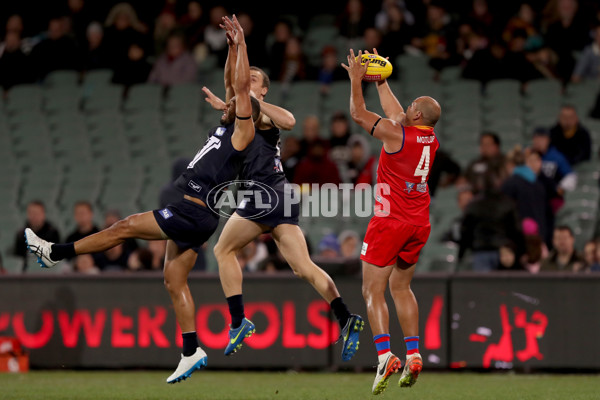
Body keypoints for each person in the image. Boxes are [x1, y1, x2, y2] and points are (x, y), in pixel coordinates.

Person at [25, 16, 259, 384]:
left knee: (125, 226)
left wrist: (243, 46)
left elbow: (242, 87)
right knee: (173, 280)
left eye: (237, 103)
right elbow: (233, 83)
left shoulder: (244, 129)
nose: (229, 101)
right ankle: (190, 350)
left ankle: (55, 253)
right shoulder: (228, 122)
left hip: (193, 210)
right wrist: (231, 48)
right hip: (198, 212)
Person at [204, 17, 363, 362]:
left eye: (256, 79)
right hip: (280, 195)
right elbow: (234, 82)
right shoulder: (242, 105)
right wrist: (233, 48)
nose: (249, 81)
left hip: (265, 193)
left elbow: (289, 121)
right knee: (303, 267)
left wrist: (245, 64)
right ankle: (346, 317)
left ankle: (238, 321)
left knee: (222, 251)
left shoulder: (258, 110)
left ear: (263, 90)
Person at [342, 48, 441, 394]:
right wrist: (381, 81)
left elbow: (358, 113)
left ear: (417, 113)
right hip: (419, 222)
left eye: (411, 105)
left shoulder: (398, 136)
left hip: (390, 221)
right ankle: (414, 353)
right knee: (402, 287)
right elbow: (398, 113)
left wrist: (357, 81)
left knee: (373, 290)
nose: (407, 107)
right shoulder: (429, 138)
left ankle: (385, 356)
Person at [14, 201, 61, 271]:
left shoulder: (53, 233)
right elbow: (18, 258)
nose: (34, 216)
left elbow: (57, 257)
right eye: (31, 213)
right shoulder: (21, 234)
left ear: (43, 214)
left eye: (37, 213)